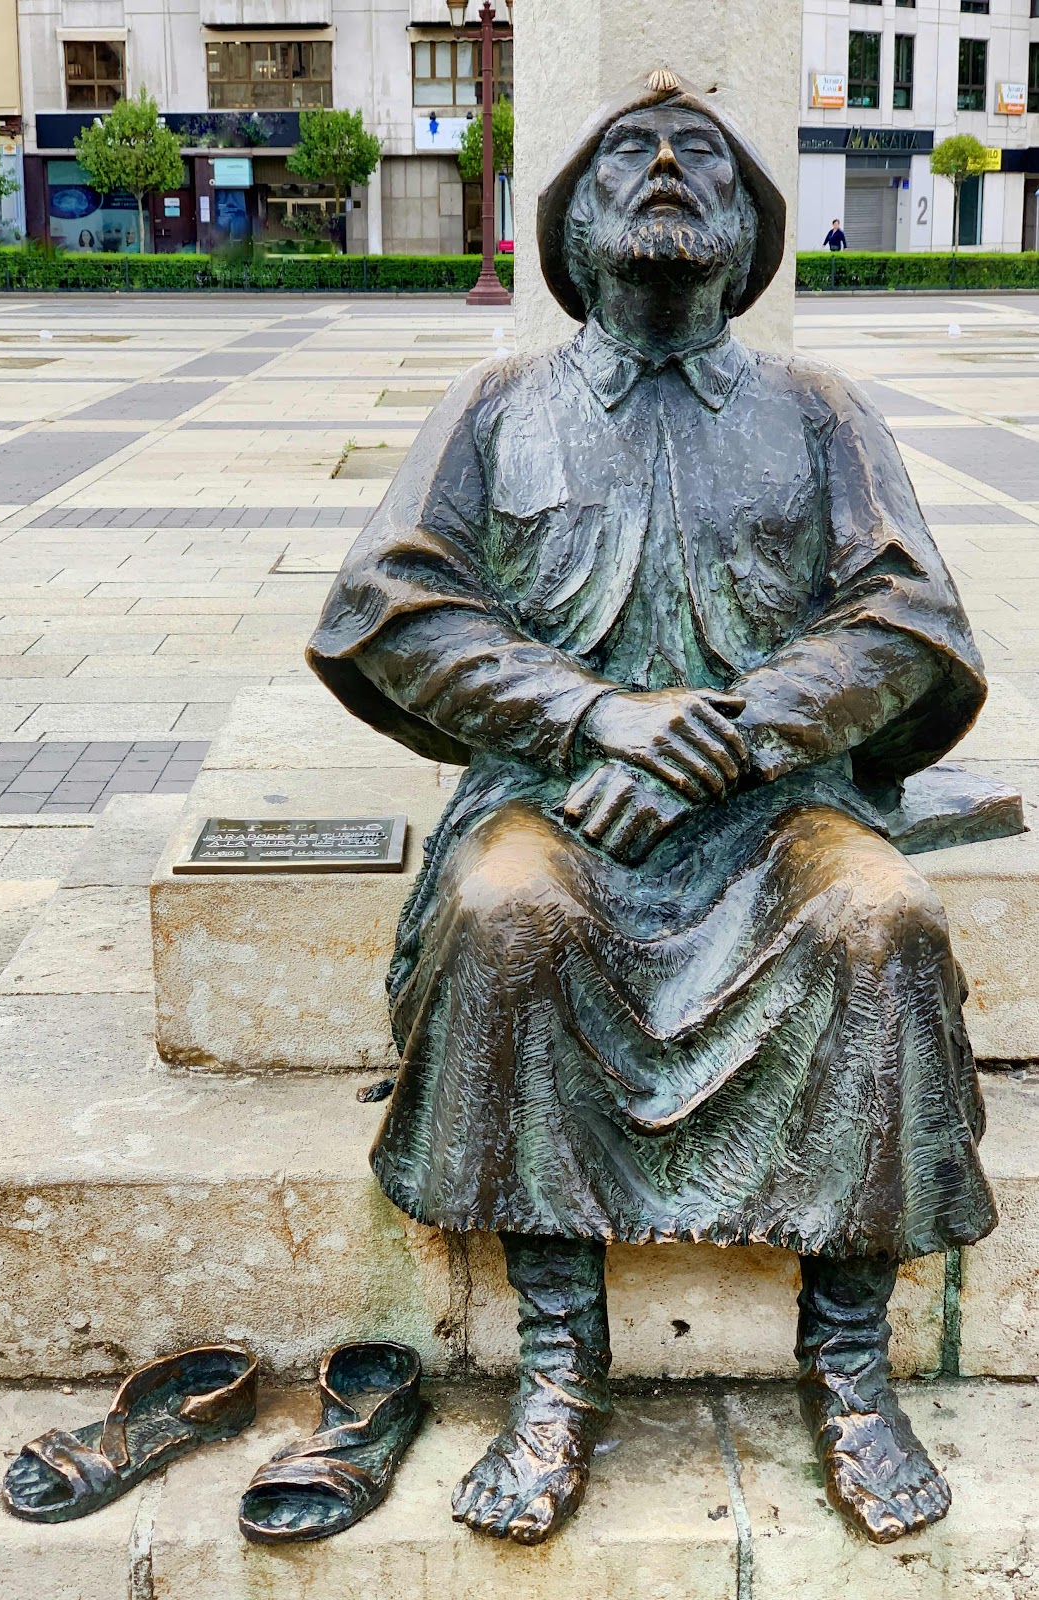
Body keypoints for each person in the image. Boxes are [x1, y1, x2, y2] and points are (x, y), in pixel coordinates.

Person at [309, 70, 996, 1549]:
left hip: (780, 814)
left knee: (885, 921)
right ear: (573, 226)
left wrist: (733, 737)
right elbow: (388, 608)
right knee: (506, 914)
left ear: (748, 233)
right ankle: (558, 1363)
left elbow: (911, 622)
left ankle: (850, 1360)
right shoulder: (500, 407)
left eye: (705, 158)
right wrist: (592, 716)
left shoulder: (817, 411)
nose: (671, 166)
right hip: (554, 807)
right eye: (632, 151)